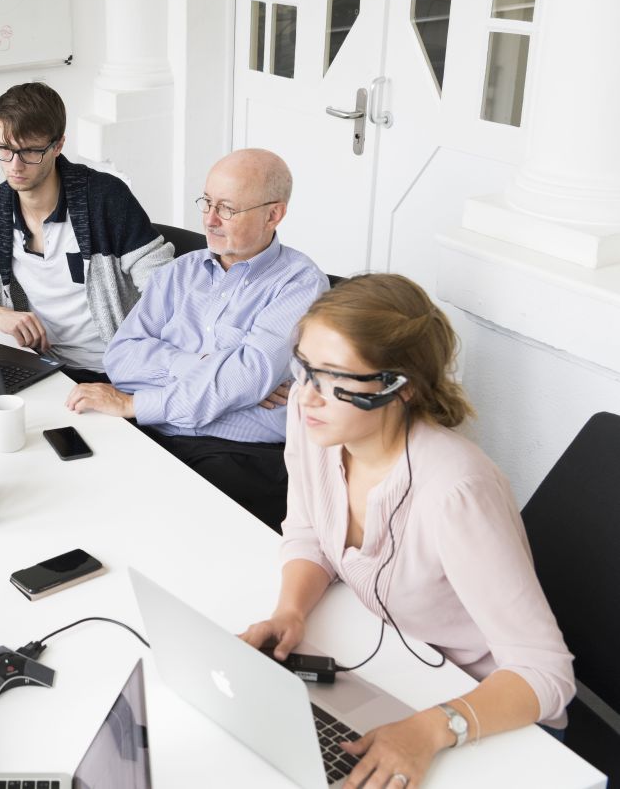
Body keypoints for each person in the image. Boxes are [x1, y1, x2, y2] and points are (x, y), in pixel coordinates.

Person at [239, 274, 574, 788]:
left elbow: (546, 675)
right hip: (399, 670)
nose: (307, 397)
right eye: (304, 369)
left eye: (336, 379)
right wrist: (291, 611)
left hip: (484, 713)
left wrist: (427, 731)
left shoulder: (456, 491)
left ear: (402, 386)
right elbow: (309, 531)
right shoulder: (316, 430)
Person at [67, 149, 327, 529]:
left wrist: (138, 403)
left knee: (164, 522)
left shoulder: (299, 284)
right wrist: (204, 368)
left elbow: (245, 376)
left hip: (234, 450)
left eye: (226, 208)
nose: (209, 219)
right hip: (150, 428)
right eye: (206, 202)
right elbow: (120, 357)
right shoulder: (180, 272)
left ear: (273, 214)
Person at [0, 82, 173, 383]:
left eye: (30, 152)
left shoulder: (105, 198)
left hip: (113, 372)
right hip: (40, 368)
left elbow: (168, 290)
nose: (15, 165)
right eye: (5, 149)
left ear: (58, 145)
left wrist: (141, 356)